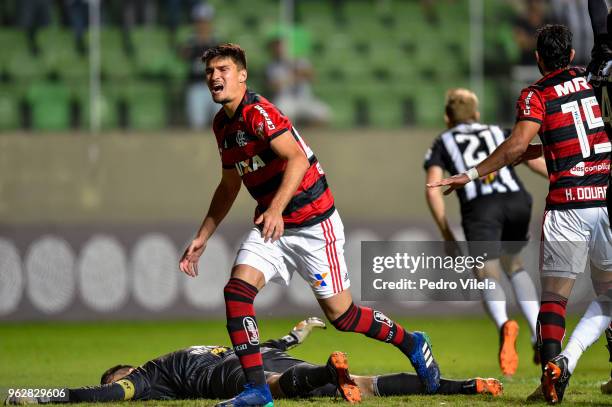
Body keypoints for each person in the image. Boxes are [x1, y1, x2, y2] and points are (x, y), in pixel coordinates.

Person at [178, 43, 441, 407]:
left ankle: (412, 342)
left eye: (223, 69)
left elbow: (297, 159)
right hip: (274, 226)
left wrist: (275, 209)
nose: (214, 77)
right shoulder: (222, 125)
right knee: (237, 292)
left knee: (344, 316)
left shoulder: (259, 112)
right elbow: (229, 184)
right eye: (209, 71)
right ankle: (258, 391)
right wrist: (203, 236)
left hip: (313, 224)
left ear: (242, 75)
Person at [428, 24, 612, 404]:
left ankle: (549, 375)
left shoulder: (536, 95)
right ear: (572, 56)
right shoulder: (590, 80)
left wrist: (473, 173)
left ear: (538, 58)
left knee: (553, 300)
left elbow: (516, 146)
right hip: (604, 199)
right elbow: (555, 142)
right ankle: (569, 360)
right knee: (608, 297)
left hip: (567, 207)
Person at [3, 318, 503, 405]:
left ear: (127, 368)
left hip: (239, 370)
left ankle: (331, 373)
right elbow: (262, 347)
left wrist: (40, 394)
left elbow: (103, 394)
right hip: (262, 357)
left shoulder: (150, 375)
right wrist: (296, 335)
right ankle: (461, 387)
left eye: (121, 375)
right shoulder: (176, 361)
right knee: (369, 385)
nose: (122, 384)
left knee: (275, 386)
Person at [424, 88, 547, 377]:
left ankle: (505, 324)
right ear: (477, 114)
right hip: (517, 200)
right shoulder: (497, 130)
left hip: (481, 207)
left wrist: (446, 233)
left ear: (447, 118)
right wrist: (563, 178)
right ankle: (536, 333)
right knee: (514, 265)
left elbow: (433, 189)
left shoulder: (442, 142)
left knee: (486, 274)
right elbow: (530, 159)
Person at [264, 37, 330, 127]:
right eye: (277, 48)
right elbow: (273, 86)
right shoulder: (272, 66)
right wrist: (289, 78)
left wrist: (295, 67)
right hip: (286, 99)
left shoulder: (300, 61)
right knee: (278, 116)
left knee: (323, 114)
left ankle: (305, 128)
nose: (280, 50)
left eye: (282, 47)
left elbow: (312, 77)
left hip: (304, 98)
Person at [179, 2, 219, 129]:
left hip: (215, 86)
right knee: (197, 125)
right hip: (195, 85)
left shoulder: (216, 41)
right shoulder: (189, 41)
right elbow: (182, 55)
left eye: (205, 21)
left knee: (221, 124)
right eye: (200, 21)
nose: (202, 25)